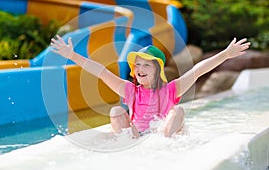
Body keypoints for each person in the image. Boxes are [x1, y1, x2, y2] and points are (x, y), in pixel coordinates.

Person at [50, 35, 250, 138]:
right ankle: (128, 143)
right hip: (135, 136)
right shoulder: (130, 90)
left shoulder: (171, 89)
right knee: (116, 110)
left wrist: (225, 54)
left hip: (159, 135)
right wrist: (72, 55)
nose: (140, 68)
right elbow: (101, 72)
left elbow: (197, 71)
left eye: (146, 64)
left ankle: (164, 142)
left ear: (159, 70)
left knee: (178, 110)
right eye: (137, 64)